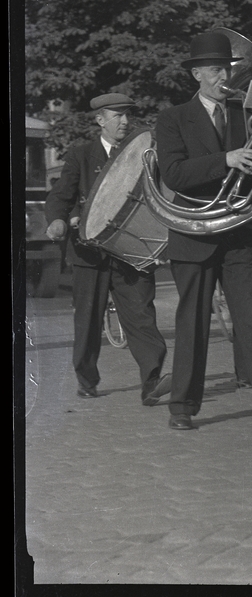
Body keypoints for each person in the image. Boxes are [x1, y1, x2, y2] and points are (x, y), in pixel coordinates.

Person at [156, 32, 252, 436]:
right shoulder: (173, 118)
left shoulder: (246, 113)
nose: (223, 76)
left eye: (227, 68)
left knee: (251, 321)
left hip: (242, 230)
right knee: (192, 322)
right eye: (213, 70)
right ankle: (183, 404)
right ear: (196, 75)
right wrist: (224, 159)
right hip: (195, 231)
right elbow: (173, 174)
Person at [44, 92, 171, 404]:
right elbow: (61, 194)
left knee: (142, 316)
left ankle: (152, 380)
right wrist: (57, 220)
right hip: (90, 254)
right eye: (117, 116)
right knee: (87, 319)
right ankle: (86, 379)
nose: (125, 122)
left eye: (127, 115)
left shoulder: (145, 152)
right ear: (100, 121)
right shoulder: (81, 154)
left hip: (132, 251)